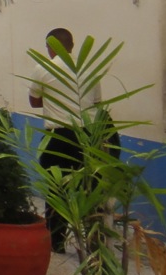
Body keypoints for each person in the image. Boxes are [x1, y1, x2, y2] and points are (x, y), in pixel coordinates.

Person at [27, 27, 115, 252]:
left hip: (59, 137)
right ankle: (94, 242)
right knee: (89, 188)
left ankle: (57, 242)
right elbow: (96, 104)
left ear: (49, 47)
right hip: (89, 136)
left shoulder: (43, 68)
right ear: (73, 46)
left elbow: (34, 102)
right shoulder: (90, 68)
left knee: (57, 189)